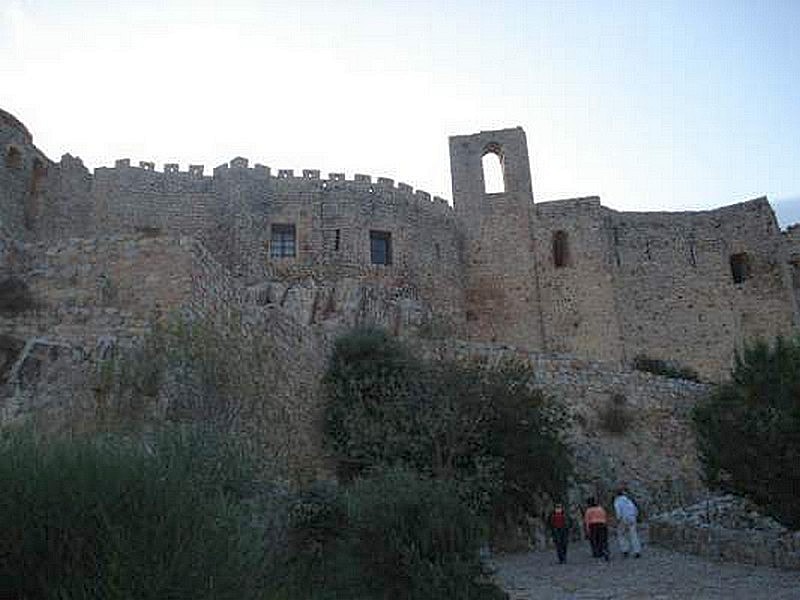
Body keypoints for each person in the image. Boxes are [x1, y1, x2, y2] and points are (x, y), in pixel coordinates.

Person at [613, 487, 642, 558]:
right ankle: (637, 550)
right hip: (632, 518)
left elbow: (618, 511)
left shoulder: (617, 501)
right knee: (633, 534)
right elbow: (635, 510)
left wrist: (617, 520)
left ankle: (625, 550)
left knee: (621, 534)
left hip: (623, 519)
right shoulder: (629, 500)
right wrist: (634, 517)